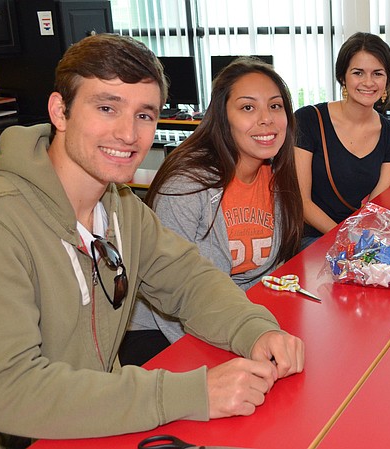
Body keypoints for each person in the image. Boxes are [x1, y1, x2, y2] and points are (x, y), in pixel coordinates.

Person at [0, 34, 305, 448]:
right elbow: (11, 392)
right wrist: (191, 393)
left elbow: (190, 281)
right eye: (107, 108)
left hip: (99, 422)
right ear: (60, 111)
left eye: (144, 115)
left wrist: (255, 330)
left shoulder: (121, 208)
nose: (128, 134)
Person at [120, 57, 304, 366]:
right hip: (164, 328)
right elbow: (167, 290)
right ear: (222, 116)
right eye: (248, 107)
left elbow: (271, 273)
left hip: (238, 319)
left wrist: (261, 327)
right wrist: (227, 353)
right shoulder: (186, 185)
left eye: (275, 106)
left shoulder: (277, 177)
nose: (266, 119)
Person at [295, 32, 390, 247]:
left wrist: (359, 243)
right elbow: (302, 202)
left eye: (377, 74)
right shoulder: (307, 120)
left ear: (387, 80)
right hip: (313, 238)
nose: (368, 82)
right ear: (343, 77)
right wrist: (345, 239)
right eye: (358, 73)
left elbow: (374, 206)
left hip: (360, 237)